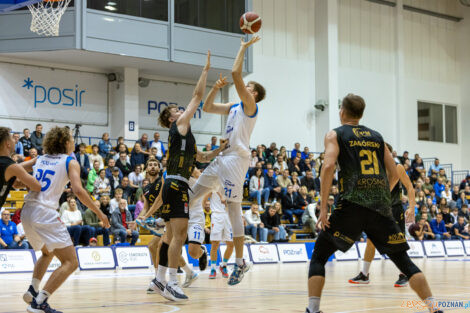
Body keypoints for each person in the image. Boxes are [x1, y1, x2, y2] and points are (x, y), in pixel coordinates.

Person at [306, 94, 442, 313]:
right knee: (404, 262)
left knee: (319, 256)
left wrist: (323, 208)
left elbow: (329, 166)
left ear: (342, 111)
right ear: (361, 114)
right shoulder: (377, 137)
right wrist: (381, 195)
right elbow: (394, 172)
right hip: (380, 207)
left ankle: (313, 309)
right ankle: (435, 309)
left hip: (351, 204)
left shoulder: (335, 134)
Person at [185, 36, 265, 286]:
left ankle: (240, 263)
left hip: (236, 161)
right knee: (192, 196)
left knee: (232, 209)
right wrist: (216, 87)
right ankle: (199, 245)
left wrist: (243, 47)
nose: (245, 87)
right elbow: (207, 107)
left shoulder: (250, 105)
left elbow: (235, 72)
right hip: (222, 157)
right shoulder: (234, 106)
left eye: (249, 86)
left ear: (253, 94)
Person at [153, 51, 226, 301]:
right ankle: (172, 281)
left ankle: (160, 279)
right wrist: (205, 70)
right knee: (179, 236)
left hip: (172, 184)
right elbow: (197, 96)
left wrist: (219, 150)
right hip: (177, 184)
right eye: (177, 110)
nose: (182, 110)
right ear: (172, 117)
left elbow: (202, 158)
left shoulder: (185, 138)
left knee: (172, 236)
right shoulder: (180, 125)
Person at [21, 126, 109, 313]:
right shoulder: (70, 161)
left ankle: (33, 289)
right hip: (45, 213)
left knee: (47, 252)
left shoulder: (41, 158)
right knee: (71, 262)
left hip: (27, 211)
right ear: (66, 143)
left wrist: (22, 180)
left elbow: (16, 169)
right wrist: (100, 213)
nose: (74, 143)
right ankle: (40, 302)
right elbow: (78, 190)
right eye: (72, 139)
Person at [349, 142, 417, 288]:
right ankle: (364, 274)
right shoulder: (372, 170)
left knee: (397, 242)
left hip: (394, 209)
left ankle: (404, 274)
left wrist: (411, 207)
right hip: (378, 210)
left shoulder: (397, 167)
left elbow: (410, 188)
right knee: (371, 241)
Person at [138, 159, 198, 294]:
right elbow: (146, 207)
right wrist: (139, 218)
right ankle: (187, 273)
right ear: (146, 169)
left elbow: (160, 201)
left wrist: (147, 216)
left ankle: (160, 280)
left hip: (170, 217)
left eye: (155, 165)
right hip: (161, 220)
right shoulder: (146, 188)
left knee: (160, 246)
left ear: (159, 169)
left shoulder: (163, 181)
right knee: (157, 247)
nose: (152, 166)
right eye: (150, 164)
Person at [208, 190, 233, 279]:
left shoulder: (231, 182)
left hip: (228, 216)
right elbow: (212, 189)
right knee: (215, 244)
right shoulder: (215, 180)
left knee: (231, 244)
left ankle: (223, 265)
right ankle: (213, 269)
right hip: (217, 215)